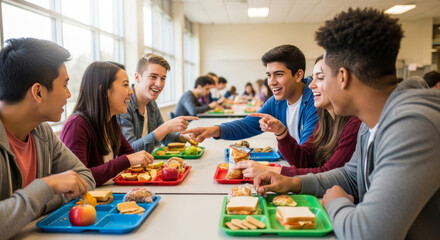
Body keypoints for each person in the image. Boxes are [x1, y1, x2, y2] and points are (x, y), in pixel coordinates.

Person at [254, 8, 440, 239]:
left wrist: (336, 202)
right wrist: (291, 183)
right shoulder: (370, 123)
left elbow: (368, 234)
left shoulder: (414, 127)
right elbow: (350, 176)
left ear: (343, 77)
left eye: (322, 77)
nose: (313, 85)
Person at [0, 38, 95, 239]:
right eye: (65, 84)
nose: (69, 94)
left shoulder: (41, 133)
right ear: (38, 92)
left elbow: (85, 178)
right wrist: (47, 187)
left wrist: (35, 205)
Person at [235, 56, 361, 178]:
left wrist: (272, 171)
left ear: (343, 80)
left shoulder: (355, 124)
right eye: (313, 78)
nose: (311, 85)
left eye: (320, 78)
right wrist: (282, 133)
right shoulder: (325, 117)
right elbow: (304, 160)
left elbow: (329, 175)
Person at [183, 44, 318, 145]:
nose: (272, 82)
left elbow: (306, 157)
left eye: (279, 74)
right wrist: (214, 130)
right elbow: (248, 124)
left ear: (298, 75)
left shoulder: (316, 100)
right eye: (269, 75)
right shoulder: (276, 102)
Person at [60, 61, 154, 187]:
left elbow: (129, 155)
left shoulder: (110, 120)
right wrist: (126, 161)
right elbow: (80, 179)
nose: (131, 92)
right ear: (103, 90)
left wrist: (130, 160)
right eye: (125, 85)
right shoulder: (76, 125)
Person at [119, 54, 198, 152]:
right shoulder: (123, 105)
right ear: (137, 77)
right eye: (153, 77)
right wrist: (166, 127)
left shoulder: (151, 103)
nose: (159, 84)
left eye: (163, 78)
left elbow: (164, 137)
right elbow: (130, 150)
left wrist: (183, 137)